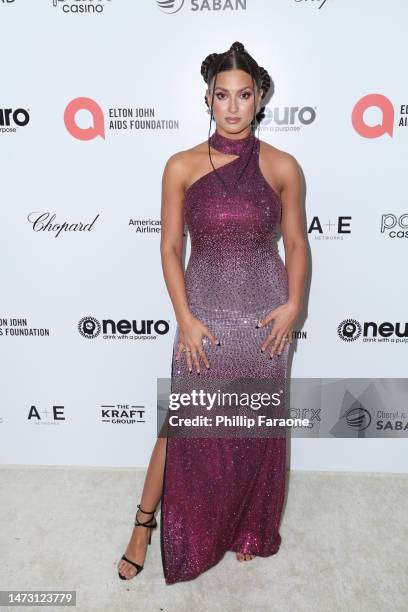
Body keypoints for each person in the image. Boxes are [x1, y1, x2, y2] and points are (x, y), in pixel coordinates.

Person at [117, 41, 308, 584]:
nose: (232, 107)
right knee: (182, 423)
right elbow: (169, 249)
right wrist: (185, 317)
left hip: (264, 318)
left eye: (243, 95)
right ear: (207, 98)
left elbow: (295, 242)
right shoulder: (180, 165)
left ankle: (247, 522)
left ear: (260, 97)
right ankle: (142, 524)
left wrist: (293, 304)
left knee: (252, 426)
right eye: (221, 95)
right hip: (202, 315)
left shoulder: (282, 166)